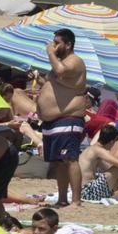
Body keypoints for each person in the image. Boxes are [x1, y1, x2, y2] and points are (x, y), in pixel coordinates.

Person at [41, 28, 92, 207]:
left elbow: (61, 71)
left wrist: (50, 53)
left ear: (68, 44)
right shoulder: (60, 61)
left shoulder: (75, 61)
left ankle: (76, 201)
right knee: (59, 162)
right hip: (53, 120)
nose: (53, 46)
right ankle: (63, 198)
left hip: (68, 119)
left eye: (57, 43)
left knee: (70, 159)